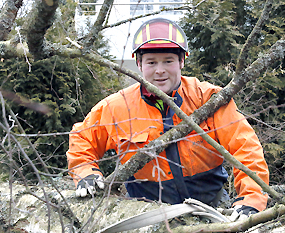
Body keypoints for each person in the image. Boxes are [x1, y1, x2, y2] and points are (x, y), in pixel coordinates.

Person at [66, 18, 269, 220]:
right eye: (152, 62)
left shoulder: (208, 98)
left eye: (168, 61)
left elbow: (246, 147)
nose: (160, 70)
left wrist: (251, 199)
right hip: (145, 213)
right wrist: (85, 172)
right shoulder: (117, 107)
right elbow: (82, 139)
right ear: (139, 64)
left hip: (212, 205)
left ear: (181, 61)